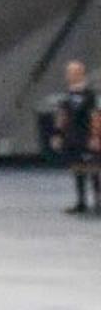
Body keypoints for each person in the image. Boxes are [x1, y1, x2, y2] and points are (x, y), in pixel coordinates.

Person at [53, 60, 94, 216]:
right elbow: (61, 116)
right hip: (73, 138)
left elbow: (96, 115)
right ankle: (81, 202)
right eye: (69, 73)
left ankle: (98, 202)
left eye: (74, 72)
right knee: (78, 170)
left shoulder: (91, 94)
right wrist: (58, 134)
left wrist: (96, 136)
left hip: (88, 136)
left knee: (95, 171)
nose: (70, 75)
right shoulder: (66, 96)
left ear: (81, 74)